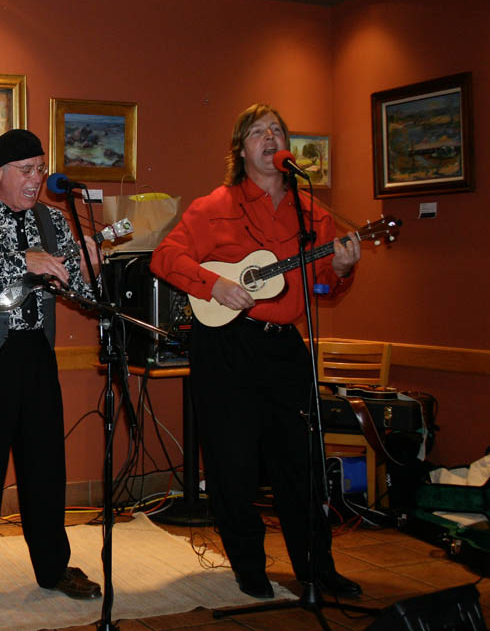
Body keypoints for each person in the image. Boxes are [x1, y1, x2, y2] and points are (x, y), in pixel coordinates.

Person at [150, 104, 363, 601]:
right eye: (258, 132)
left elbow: (326, 285)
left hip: (284, 346)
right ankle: (249, 567)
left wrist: (346, 267)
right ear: (240, 149)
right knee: (231, 462)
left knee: (300, 462)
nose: (270, 138)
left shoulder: (314, 214)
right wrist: (212, 286)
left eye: (278, 131)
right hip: (224, 345)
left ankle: (316, 568)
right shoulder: (211, 206)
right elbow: (165, 257)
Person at [0, 128, 102, 616]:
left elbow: (83, 296)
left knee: (46, 465)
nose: (37, 179)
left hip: (36, 351)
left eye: (41, 169)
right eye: (28, 170)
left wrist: (92, 267)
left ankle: (53, 567)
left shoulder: (53, 220)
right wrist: (22, 261)